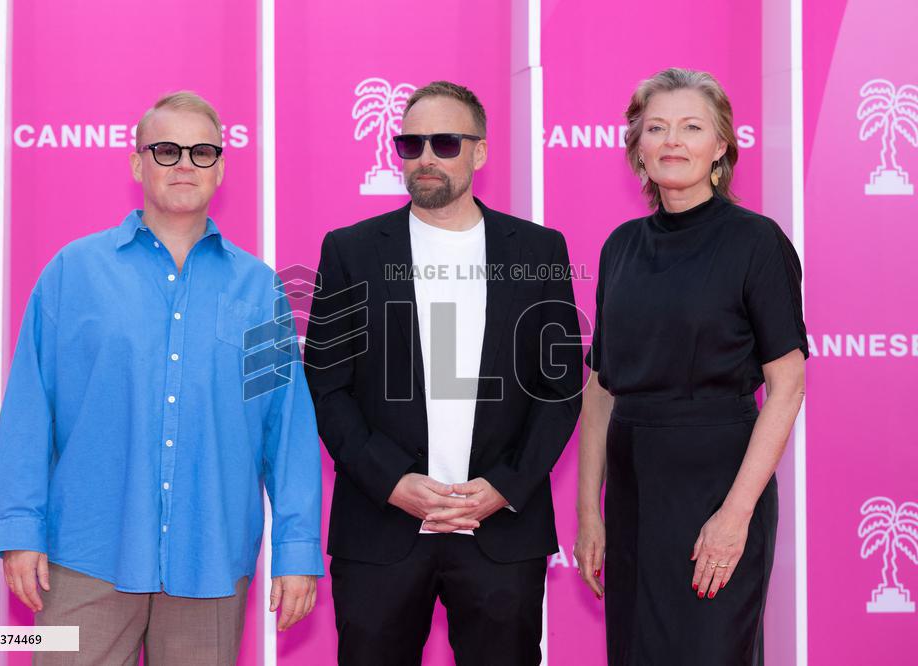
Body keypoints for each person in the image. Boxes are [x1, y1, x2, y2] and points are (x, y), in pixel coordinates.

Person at [0, 91, 323, 665]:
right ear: (137, 162)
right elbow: (28, 410)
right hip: (86, 556)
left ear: (221, 166)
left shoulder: (258, 288)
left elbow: (286, 433)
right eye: (166, 150)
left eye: (202, 150)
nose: (185, 164)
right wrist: (20, 530)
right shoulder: (73, 272)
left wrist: (297, 551)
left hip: (210, 560)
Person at [303, 80, 582, 666]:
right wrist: (392, 482)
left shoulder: (538, 251)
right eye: (412, 143)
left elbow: (559, 392)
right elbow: (328, 388)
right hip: (381, 531)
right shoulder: (350, 251)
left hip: (501, 534)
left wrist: (504, 485)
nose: (426, 157)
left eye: (446, 142)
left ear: (480, 152)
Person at [574, 68, 808, 665]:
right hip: (632, 490)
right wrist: (587, 511)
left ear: (721, 147)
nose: (672, 141)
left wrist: (735, 515)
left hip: (718, 482)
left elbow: (787, 385)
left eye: (691, 127)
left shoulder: (756, 242)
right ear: (638, 146)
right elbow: (600, 388)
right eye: (656, 128)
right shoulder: (620, 246)